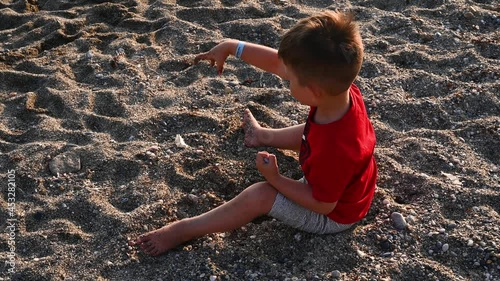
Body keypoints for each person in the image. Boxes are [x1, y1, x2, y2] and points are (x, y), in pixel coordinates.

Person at [129, 10, 377, 256]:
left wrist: (276, 179)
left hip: (333, 215)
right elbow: (278, 63)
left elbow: (322, 204)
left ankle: (184, 230)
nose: (284, 77)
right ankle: (263, 136)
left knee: (260, 194)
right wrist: (232, 46)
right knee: (311, 132)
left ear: (313, 91)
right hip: (343, 180)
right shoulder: (341, 92)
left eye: (289, 79)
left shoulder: (335, 150)